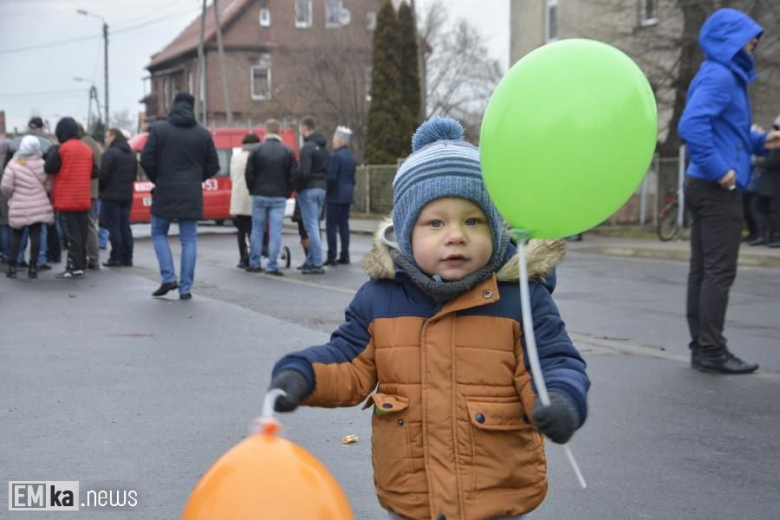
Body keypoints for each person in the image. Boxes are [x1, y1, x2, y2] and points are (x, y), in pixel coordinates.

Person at [267, 118, 590, 520]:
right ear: (406, 233)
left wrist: (559, 398)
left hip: (496, 498)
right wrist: (303, 374)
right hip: (413, 499)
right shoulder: (380, 299)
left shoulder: (521, 298)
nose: (455, 235)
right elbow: (348, 359)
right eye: (436, 223)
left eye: (473, 220)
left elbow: (553, 360)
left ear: (495, 228)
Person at [678, 8, 780, 374]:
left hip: (703, 184)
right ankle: (711, 350)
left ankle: (703, 347)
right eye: (749, 36)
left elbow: (728, 134)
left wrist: (762, 140)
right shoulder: (720, 75)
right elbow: (692, 125)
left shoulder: (723, 74)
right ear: (730, 39)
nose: (754, 42)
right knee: (718, 272)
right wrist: (721, 172)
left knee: (704, 271)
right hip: (715, 188)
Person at [140, 92, 220, 300]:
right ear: (192, 108)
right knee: (189, 239)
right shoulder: (203, 134)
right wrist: (195, 178)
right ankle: (185, 289)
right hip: (191, 193)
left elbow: (146, 159)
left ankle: (168, 277)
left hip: (165, 188)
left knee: (158, 232)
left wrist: (158, 178)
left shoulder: (160, 130)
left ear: (174, 106)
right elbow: (214, 165)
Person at [44, 117, 96, 279]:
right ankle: (80, 264)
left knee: (71, 236)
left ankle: (73, 267)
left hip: (66, 199)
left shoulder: (62, 149)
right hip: (83, 197)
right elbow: (95, 172)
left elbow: (49, 168)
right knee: (81, 234)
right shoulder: (86, 149)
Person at [244, 119, 297, 276]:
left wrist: (252, 189)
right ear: (279, 131)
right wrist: (287, 192)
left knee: (257, 230)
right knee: (275, 231)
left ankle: (254, 262)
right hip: (279, 196)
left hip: (260, 194)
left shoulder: (257, 150)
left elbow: (249, 172)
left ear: (265, 131)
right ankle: (272, 265)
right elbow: (294, 175)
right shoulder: (287, 151)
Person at [2, 117, 55, 270]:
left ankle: (14, 265)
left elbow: (6, 185)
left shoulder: (13, 163)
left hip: (18, 203)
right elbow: (49, 184)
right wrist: (42, 193)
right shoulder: (42, 164)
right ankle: (35, 265)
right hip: (38, 204)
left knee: (17, 235)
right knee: (37, 235)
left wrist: (11, 195)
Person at [99, 128, 136, 267]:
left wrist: (101, 190)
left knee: (114, 226)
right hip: (127, 195)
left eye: (107, 137)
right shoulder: (131, 154)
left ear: (113, 136)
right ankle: (128, 257)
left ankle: (116, 256)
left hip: (111, 195)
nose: (105, 140)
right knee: (125, 226)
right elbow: (134, 175)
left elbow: (102, 175)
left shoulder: (110, 153)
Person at [296, 116, 329, 274]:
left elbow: (305, 172)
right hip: (322, 188)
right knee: (314, 225)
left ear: (304, 127)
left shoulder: (307, 147)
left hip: (308, 189)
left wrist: (297, 187)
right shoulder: (323, 147)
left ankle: (317, 263)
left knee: (311, 227)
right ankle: (311, 260)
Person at [324, 125, 356, 266]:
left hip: (335, 196)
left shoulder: (335, 156)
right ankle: (345, 254)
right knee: (344, 226)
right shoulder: (351, 157)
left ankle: (332, 255)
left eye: (334, 139)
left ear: (339, 141)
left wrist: (327, 190)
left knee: (331, 226)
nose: (332, 142)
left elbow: (331, 178)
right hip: (347, 196)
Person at [230, 133, 260, 269]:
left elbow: (233, 177)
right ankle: (254, 257)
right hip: (253, 197)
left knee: (241, 230)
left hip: (238, 197)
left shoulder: (236, 157)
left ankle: (243, 258)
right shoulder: (256, 157)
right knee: (253, 229)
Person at [77, 122, 104, 270]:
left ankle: (92, 257)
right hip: (92, 189)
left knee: (88, 224)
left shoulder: (83, 144)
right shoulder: (92, 143)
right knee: (90, 223)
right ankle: (92, 256)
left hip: (85, 190)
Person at [750, 116, 780, 248]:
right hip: (769, 183)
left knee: (774, 211)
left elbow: (773, 162)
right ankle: (765, 235)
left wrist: (756, 161)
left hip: (774, 184)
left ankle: (773, 236)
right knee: (760, 208)